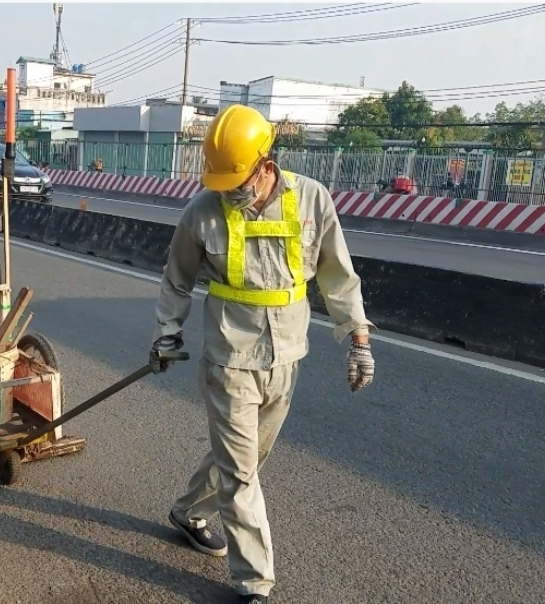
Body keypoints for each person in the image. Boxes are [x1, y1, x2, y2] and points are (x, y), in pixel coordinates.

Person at [149, 104, 376, 604]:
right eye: (223, 180)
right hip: (229, 358)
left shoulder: (311, 200)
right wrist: (168, 332)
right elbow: (177, 277)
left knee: (250, 458)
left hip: (288, 356)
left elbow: (338, 276)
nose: (232, 189)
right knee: (241, 473)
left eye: (239, 178)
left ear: (265, 161)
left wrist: (358, 340)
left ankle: (188, 512)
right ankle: (255, 583)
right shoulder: (202, 210)